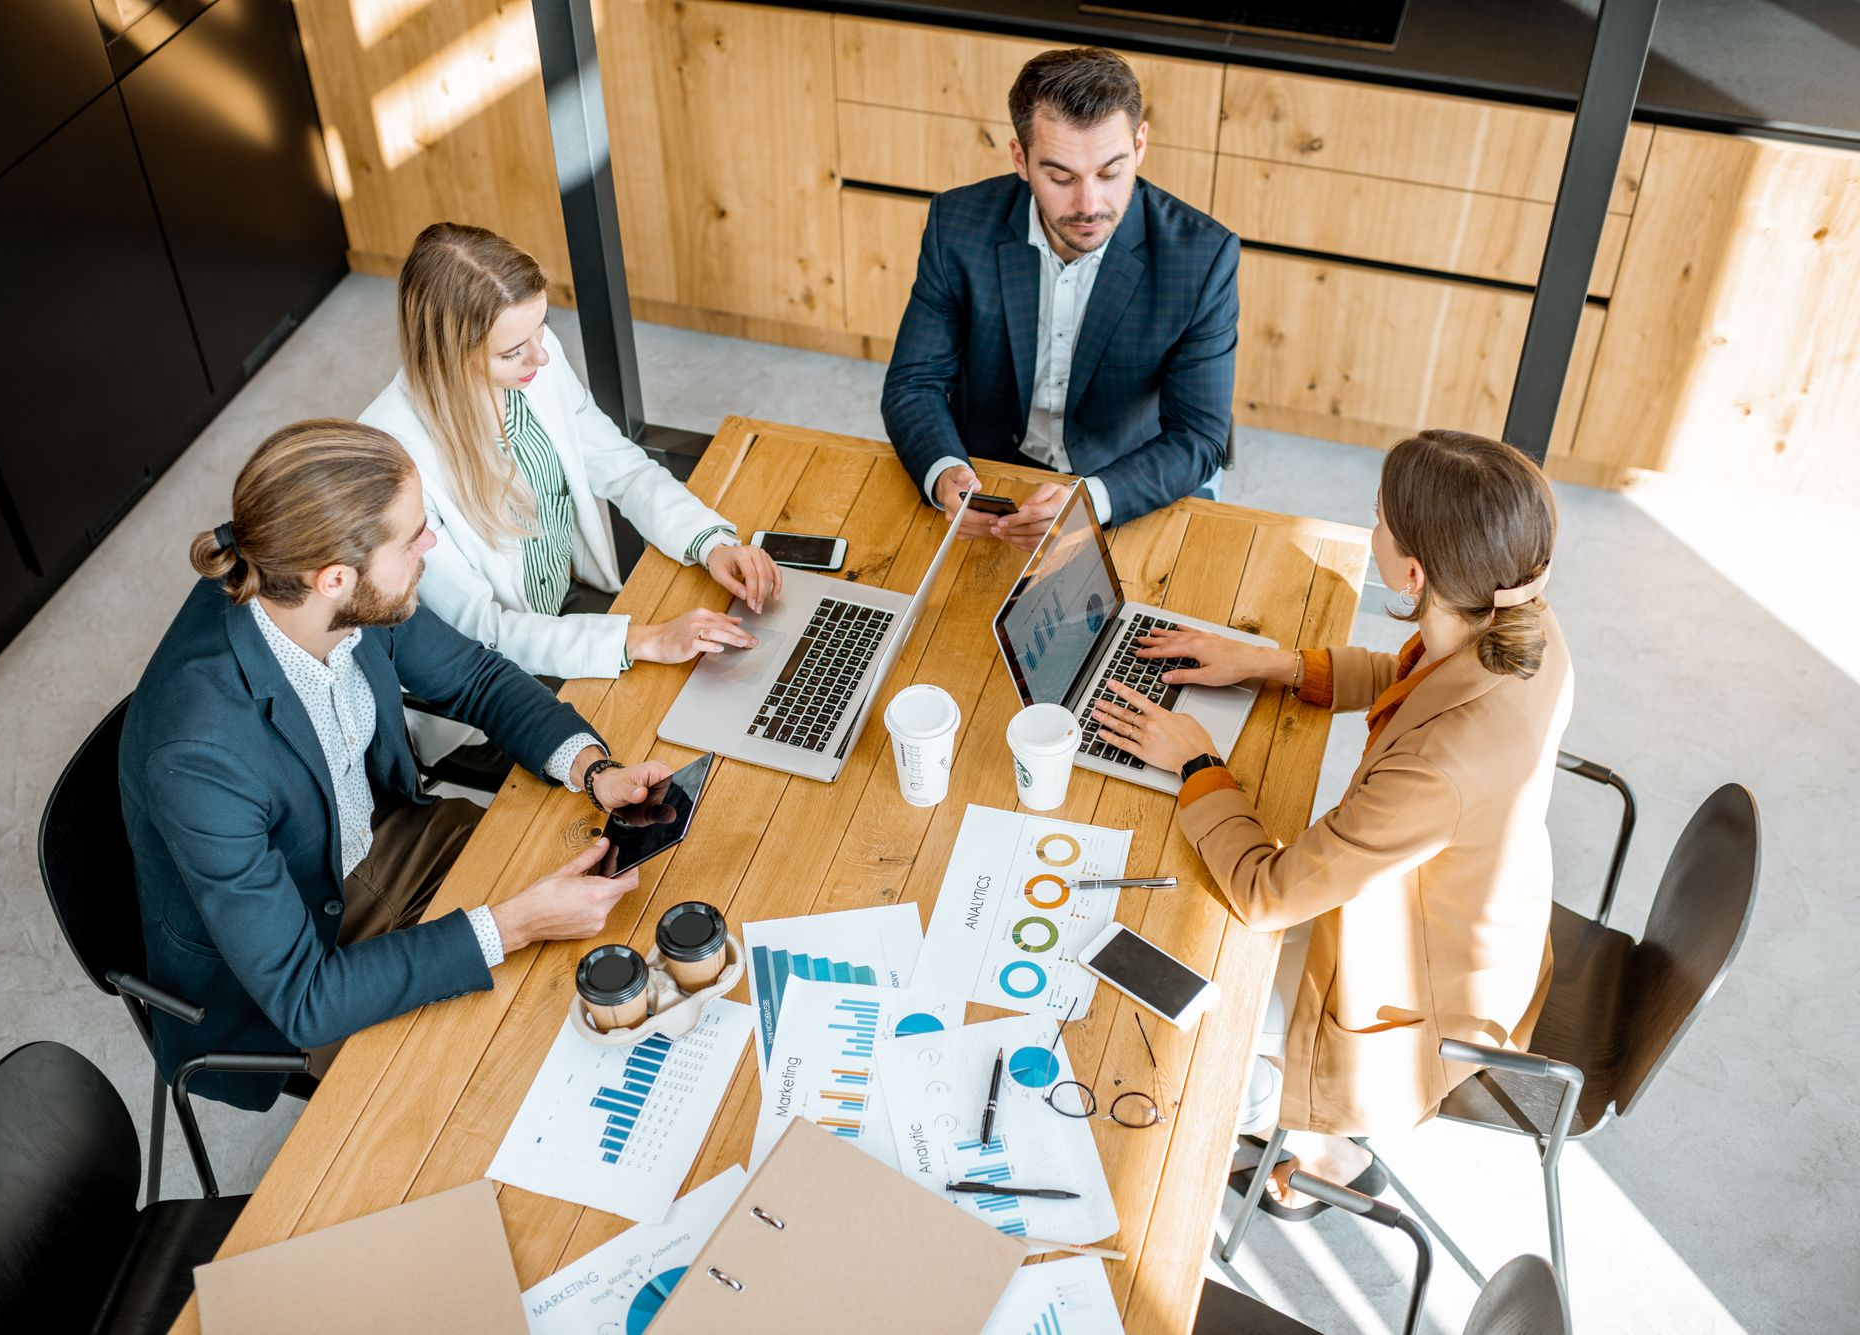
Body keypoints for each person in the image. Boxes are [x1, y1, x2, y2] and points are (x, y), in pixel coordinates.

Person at [120, 419, 675, 1110]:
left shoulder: (329, 587)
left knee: (623, 920)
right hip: (297, 949)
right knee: (516, 1066)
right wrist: (515, 923)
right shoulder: (200, 753)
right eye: (413, 538)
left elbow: (473, 675)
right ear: (334, 578)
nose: (430, 545)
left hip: (381, 835)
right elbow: (306, 996)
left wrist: (593, 768)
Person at [1085, 429, 1571, 1211]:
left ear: (1412, 572)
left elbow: (1267, 892)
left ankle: (1315, 1144)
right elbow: (1410, 680)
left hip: (1412, 1009)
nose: (1369, 526)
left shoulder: (1438, 769)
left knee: (1164, 1021)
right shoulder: (1523, 626)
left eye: (1377, 517)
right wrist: (1274, 664)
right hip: (1474, 928)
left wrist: (1197, 763)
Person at [360, 221, 782, 716]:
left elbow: (623, 469)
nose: (541, 353)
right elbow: (483, 631)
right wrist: (642, 641)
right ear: (449, 355)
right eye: (513, 350)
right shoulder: (391, 455)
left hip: (572, 602)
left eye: (541, 325)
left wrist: (711, 543)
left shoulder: (536, 359)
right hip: (500, 679)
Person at [881, 46, 1239, 552]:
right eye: (1061, 177)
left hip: (1123, 480)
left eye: (1110, 173)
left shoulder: (1203, 256)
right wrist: (944, 471)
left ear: (1139, 145)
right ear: (1020, 159)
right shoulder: (956, 225)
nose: (1089, 205)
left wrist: (1091, 500)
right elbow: (914, 382)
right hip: (989, 473)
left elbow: (1200, 437)